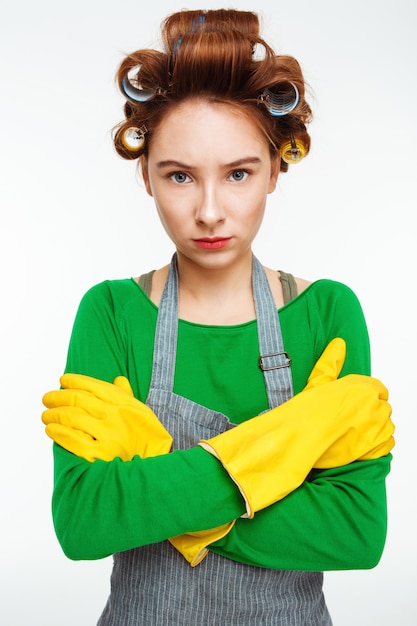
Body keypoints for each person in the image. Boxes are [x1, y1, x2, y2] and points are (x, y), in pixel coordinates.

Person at [41, 9, 395, 625]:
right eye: (180, 176)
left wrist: (154, 489)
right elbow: (83, 522)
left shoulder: (328, 314)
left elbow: (355, 533)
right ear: (147, 178)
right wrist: (287, 446)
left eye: (238, 174)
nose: (209, 211)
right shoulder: (111, 313)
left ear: (276, 171)